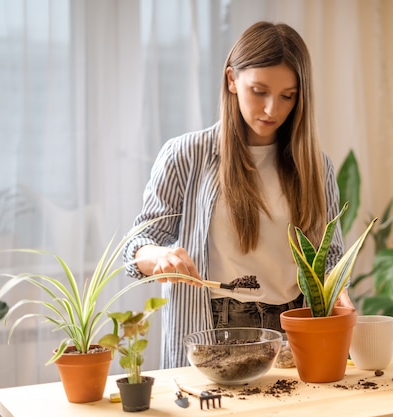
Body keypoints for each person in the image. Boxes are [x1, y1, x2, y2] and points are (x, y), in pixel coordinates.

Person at [123, 21, 352, 369]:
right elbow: (137, 244)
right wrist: (161, 257)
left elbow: (330, 255)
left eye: (287, 96)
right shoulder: (186, 154)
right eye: (259, 91)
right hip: (215, 330)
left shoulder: (316, 167)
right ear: (232, 79)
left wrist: (341, 298)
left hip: (294, 330)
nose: (272, 109)